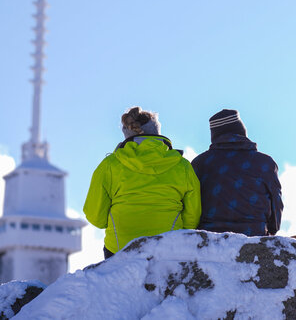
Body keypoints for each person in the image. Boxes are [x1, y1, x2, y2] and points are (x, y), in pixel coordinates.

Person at [84, 106, 201, 259]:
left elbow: (95, 217)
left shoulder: (110, 165)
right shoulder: (182, 166)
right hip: (169, 247)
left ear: (127, 134)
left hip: (120, 249)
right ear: (157, 133)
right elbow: (192, 219)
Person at [191, 109, 283, 236]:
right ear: (242, 131)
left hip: (209, 239)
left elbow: (190, 206)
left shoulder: (199, 163)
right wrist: (272, 229)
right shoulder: (265, 163)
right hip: (253, 237)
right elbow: (276, 210)